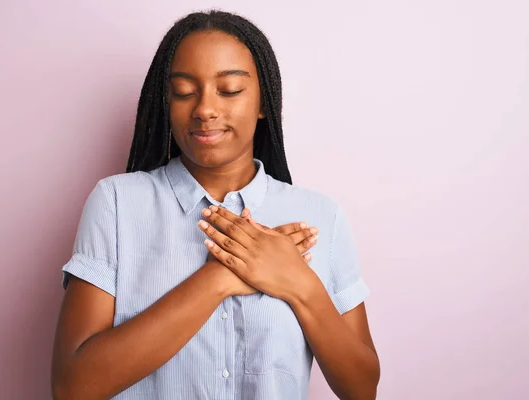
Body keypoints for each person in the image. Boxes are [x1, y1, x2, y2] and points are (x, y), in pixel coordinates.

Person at [51, 9, 380, 400]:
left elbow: (362, 389)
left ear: (263, 102)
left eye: (229, 90)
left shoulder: (320, 217)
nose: (205, 109)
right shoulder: (117, 203)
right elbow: (72, 388)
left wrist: (298, 283)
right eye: (184, 92)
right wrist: (219, 278)